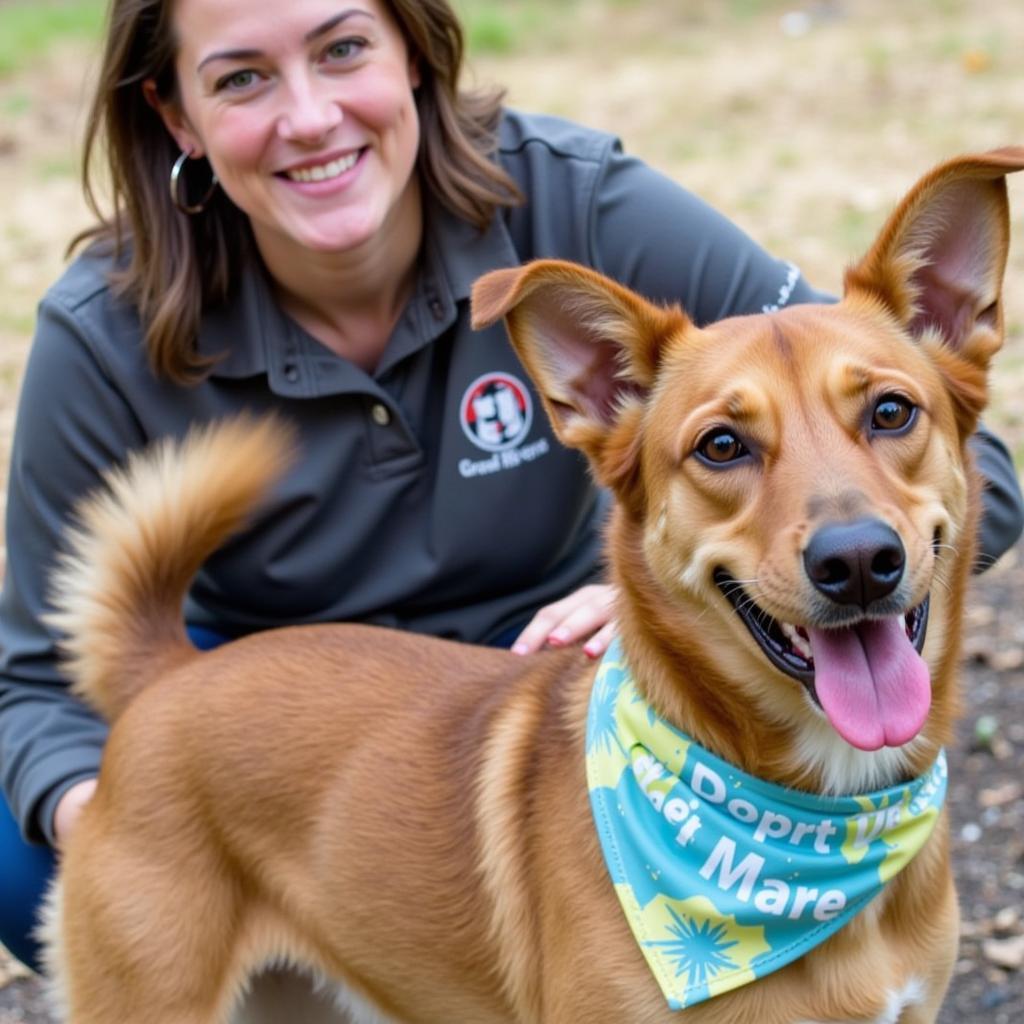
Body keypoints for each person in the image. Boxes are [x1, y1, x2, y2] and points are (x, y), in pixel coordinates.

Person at [1, 0, 1021, 976]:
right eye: (241, 78)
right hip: (269, 711)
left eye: (343, 48)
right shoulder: (102, 331)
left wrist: (651, 598)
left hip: (541, 676)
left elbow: (946, 460)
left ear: (414, 51)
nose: (309, 115)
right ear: (176, 111)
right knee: (22, 857)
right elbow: (35, 680)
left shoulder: (578, 203)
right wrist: (145, 821)